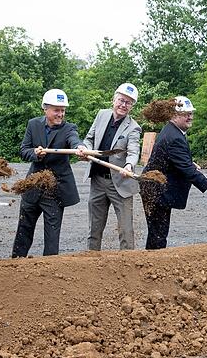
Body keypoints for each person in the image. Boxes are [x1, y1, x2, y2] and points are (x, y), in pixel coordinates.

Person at [142, 96, 207, 249]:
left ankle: (153, 261)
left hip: (155, 188)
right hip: (156, 190)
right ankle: (153, 266)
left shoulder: (172, 131)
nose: (190, 116)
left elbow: (172, 158)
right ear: (174, 115)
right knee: (158, 234)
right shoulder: (174, 137)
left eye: (191, 113)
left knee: (157, 233)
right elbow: (187, 170)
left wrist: (187, 162)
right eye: (186, 114)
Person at [12, 89, 81, 257]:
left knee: (52, 234)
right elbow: (23, 150)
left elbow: (74, 140)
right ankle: (15, 263)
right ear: (45, 109)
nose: (60, 114)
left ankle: (49, 269)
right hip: (33, 186)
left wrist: (80, 148)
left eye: (63, 110)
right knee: (24, 228)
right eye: (56, 110)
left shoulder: (69, 128)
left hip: (54, 190)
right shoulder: (33, 124)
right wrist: (34, 154)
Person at [79, 83, 142, 250]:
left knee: (126, 229)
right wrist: (85, 149)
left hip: (120, 183)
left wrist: (129, 165)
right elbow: (89, 138)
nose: (123, 105)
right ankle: (92, 261)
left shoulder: (133, 127)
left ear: (132, 106)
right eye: (121, 100)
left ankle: (128, 264)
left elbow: (134, 151)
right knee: (94, 227)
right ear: (114, 99)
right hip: (98, 181)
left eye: (128, 103)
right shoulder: (101, 115)